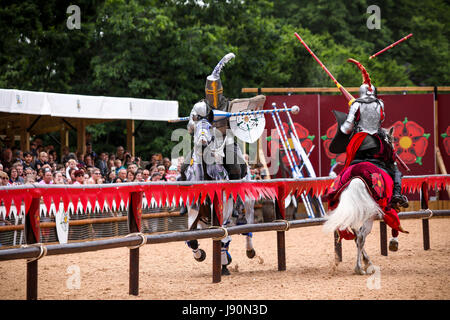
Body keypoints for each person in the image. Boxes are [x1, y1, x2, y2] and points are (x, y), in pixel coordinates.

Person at [336, 58, 408, 209]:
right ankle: (396, 194)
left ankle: (336, 192)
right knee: (394, 168)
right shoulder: (379, 103)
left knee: (348, 164)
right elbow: (382, 118)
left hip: (359, 141)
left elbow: (348, 126)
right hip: (377, 140)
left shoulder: (355, 104)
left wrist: (346, 131)